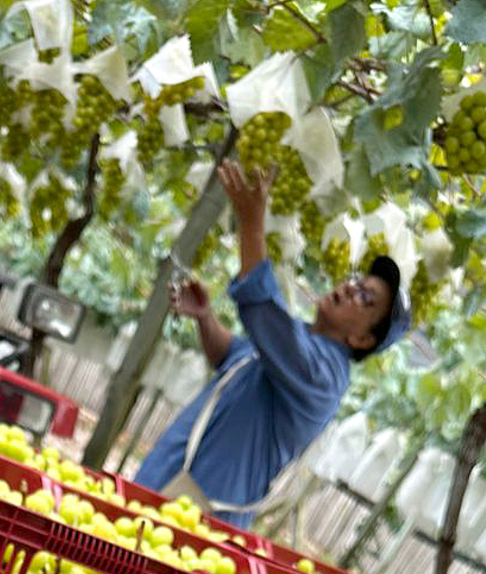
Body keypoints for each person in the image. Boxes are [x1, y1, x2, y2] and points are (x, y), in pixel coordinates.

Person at [136, 161, 410, 528]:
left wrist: (251, 223)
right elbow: (232, 358)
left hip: (200, 525)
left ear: (361, 339)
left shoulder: (322, 376)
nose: (349, 287)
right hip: (165, 484)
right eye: (357, 281)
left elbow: (261, 305)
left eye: (365, 298)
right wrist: (205, 318)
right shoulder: (296, 342)